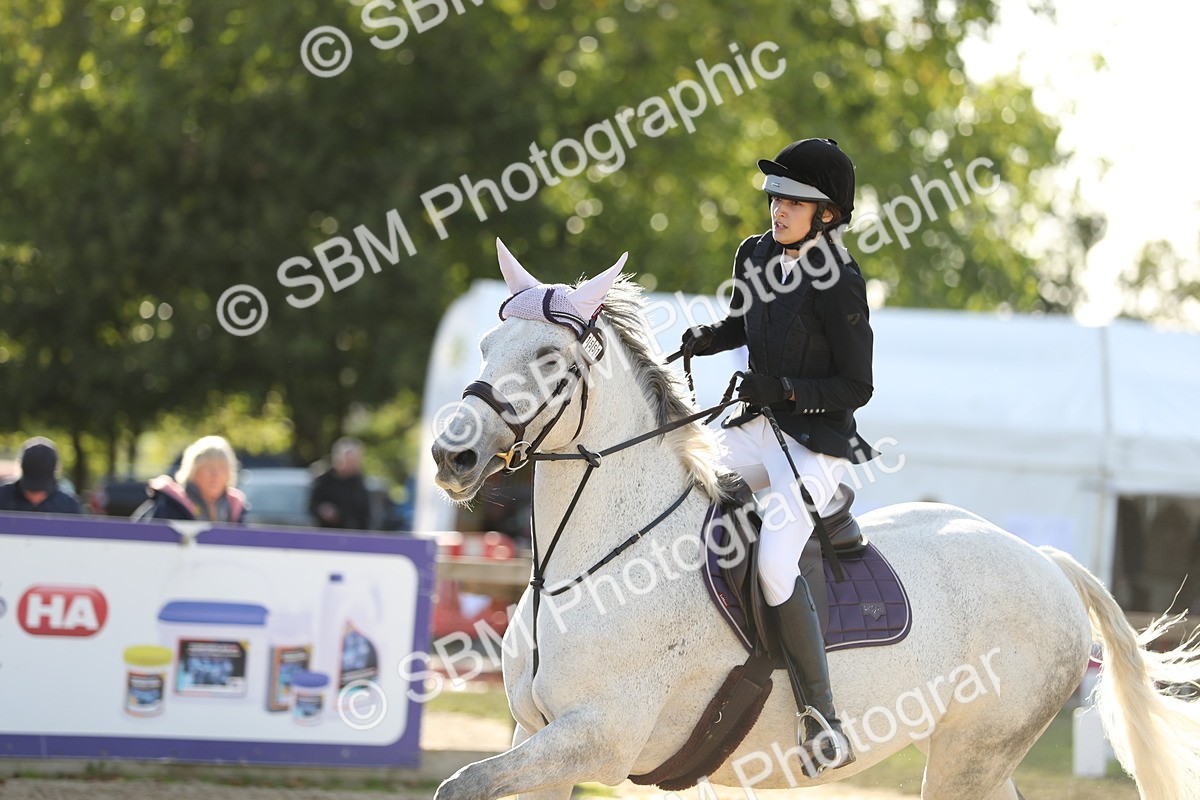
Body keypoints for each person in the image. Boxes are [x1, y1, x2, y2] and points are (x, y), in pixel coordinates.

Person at [682, 138, 879, 775]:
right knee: (684, 477)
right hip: (756, 425)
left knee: (772, 563)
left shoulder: (841, 282)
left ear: (826, 214)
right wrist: (710, 338)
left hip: (814, 444)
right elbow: (747, 321)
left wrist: (787, 390)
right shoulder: (755, 254)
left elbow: (858, 387)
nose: (778, 210)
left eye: (793, 201)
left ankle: (822, 718)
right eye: (775, 198)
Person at [133, 435, 246, 523]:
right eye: (209, 468)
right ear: (193, 470)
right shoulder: (169, 505)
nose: (215, 475)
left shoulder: (235, 509)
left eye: (222, 469)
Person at [0, 437, 83, 514]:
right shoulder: (3, 498)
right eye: (30, 489)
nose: (35, 497)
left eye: (42, 490)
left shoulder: (69, 505)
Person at [309, 437, 370, 530]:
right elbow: (312, 506)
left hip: (353, 534)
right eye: (350, 460)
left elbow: (365, 514)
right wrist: (322, 510)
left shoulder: (359, 482)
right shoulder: (323, 480)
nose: (353, 464)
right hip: (326, 534)